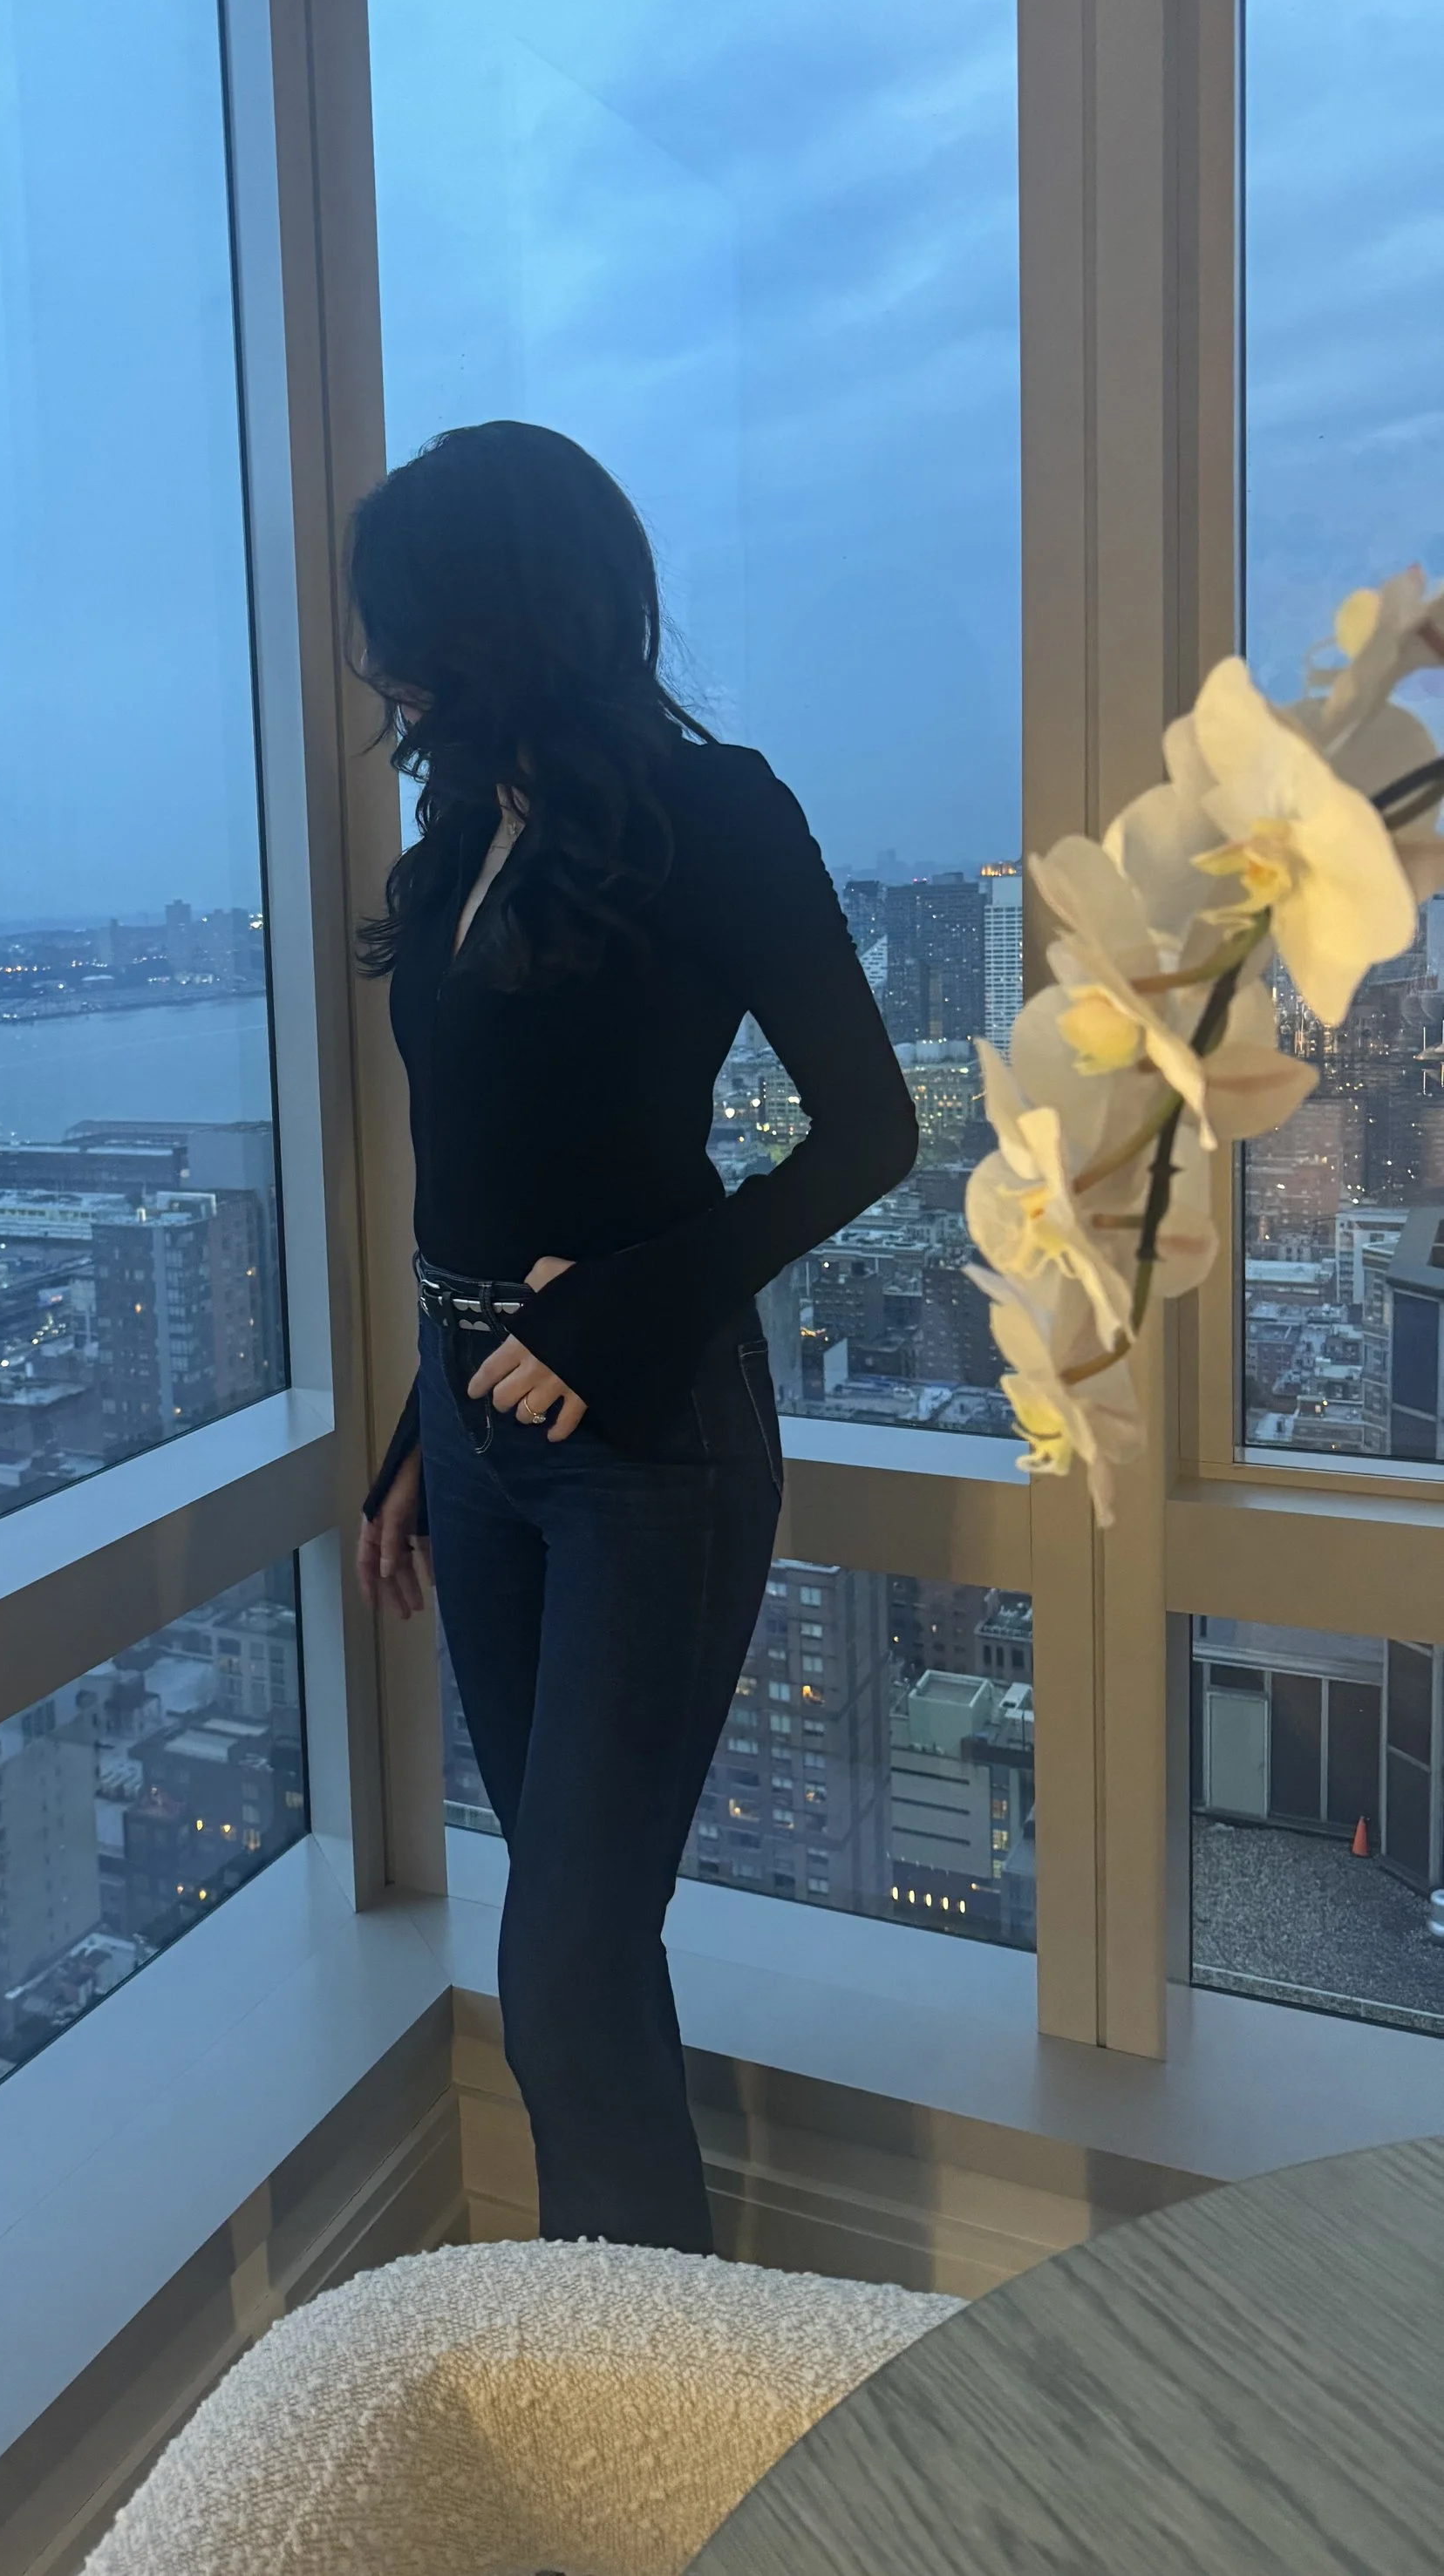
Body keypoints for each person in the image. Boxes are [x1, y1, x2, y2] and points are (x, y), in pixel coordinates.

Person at [349, 421, 918, 2256]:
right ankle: (635, 2360)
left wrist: (623, 1304)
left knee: (564, 1975)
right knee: (579, 1964)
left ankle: (644, 2426)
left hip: (643, 1442)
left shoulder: (712, 814)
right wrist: (415, 1423)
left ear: (501, 613)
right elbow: (462, 1174)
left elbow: (868, 1130)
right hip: (480, 1423)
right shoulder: (455, 849)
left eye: (404, 624)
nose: (383, 670)